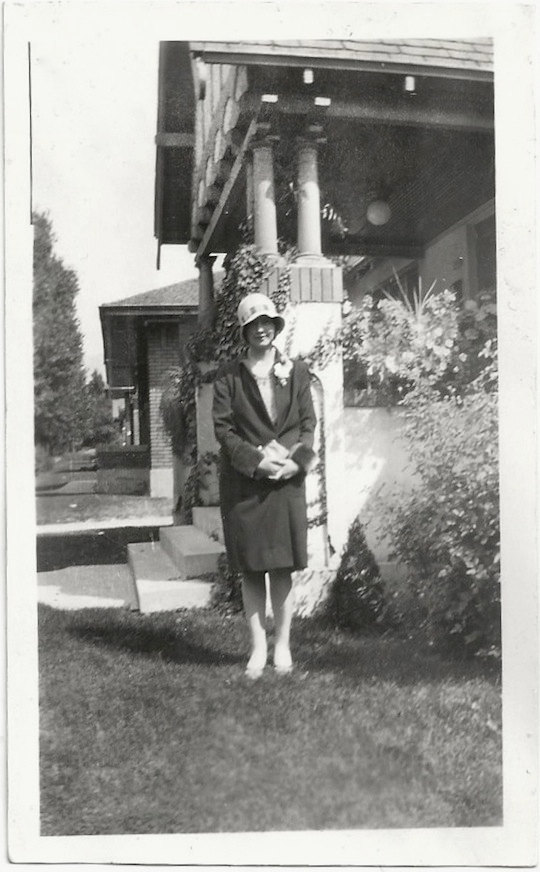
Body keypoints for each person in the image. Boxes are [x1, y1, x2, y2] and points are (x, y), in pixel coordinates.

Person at [212, 293, 317, 678]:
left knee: (282, 568)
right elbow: (223, 430)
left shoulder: (298, 371)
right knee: (252, 569)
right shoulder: (229, 375)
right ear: (244, 330)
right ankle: (258, 648)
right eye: (254, 323)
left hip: (287, 482)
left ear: (276, 326)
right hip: (246, 486)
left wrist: (294, 464)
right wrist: (258, 463)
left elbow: (309, 424)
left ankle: (283, 645)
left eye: (268, 321)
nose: (262, 328)